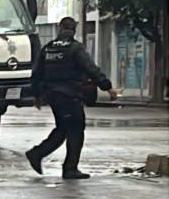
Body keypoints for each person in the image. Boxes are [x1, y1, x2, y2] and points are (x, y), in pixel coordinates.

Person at [26, 17, 118, 180]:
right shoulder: (75, 48)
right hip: (69, 95)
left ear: (60, 28)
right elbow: (91, 69)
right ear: (74, 30)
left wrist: (37, 95)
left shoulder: (48, 48)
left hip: (52, 95)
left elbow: (37, 72)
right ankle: (69, 168)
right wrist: (107, 87)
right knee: (75, 130)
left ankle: (37, 154)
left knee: (62, 128)